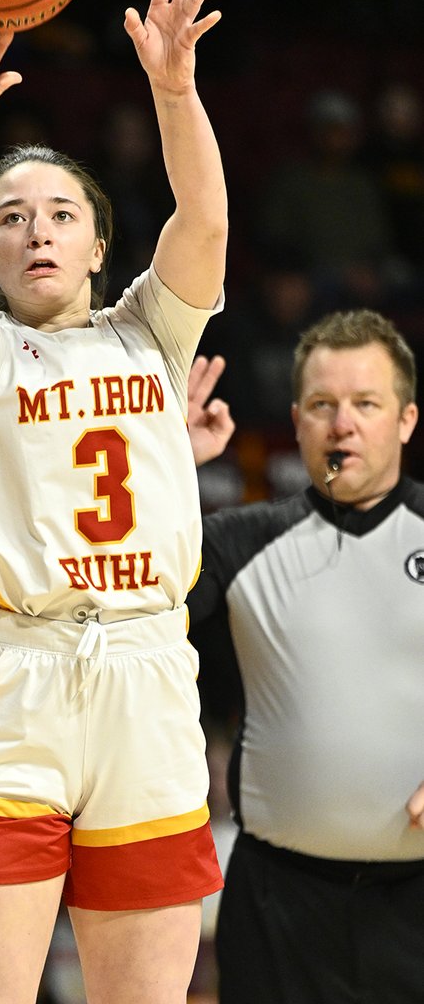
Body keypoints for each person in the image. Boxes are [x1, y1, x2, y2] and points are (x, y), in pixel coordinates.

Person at [0, 0, 228, 1004]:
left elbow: (205, 224)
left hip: (142, 669)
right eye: (8, 217)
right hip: (10, 678)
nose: (34, 228)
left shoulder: (149, 335)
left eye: (57, 213)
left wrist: (172, 92)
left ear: (97, 247)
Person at [187, 308, 424, 1004]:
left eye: (365, 404)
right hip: (276, 909)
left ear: (406, 420)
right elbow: (120, 594)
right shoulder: (238, 543)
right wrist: (163, 469)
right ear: (296, 421)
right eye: (322, 405)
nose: (341, 423)